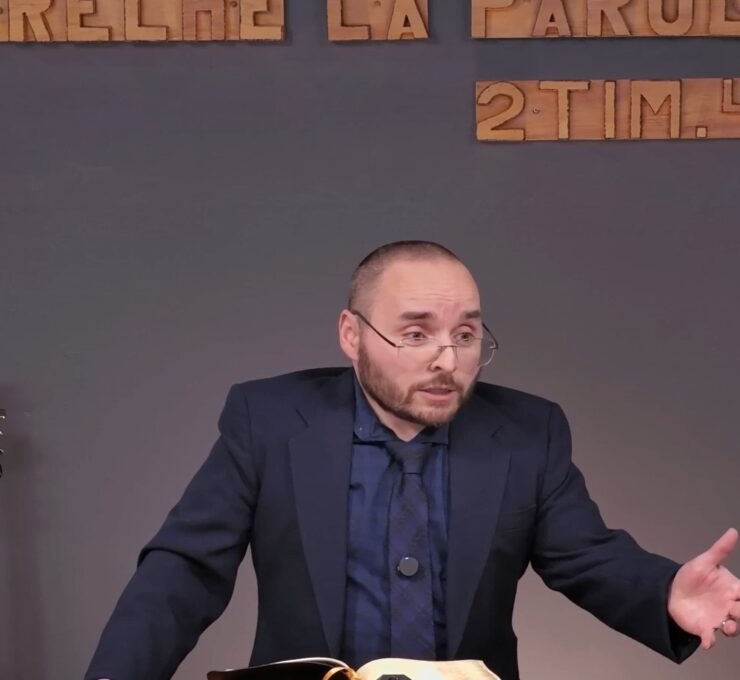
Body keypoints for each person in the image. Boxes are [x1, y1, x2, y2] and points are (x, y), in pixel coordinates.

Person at [85, 241, 739, 680]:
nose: (446, 360)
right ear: (352, 335)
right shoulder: (272, 420)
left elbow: (587, 557)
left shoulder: (526, 432)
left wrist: (665, 592)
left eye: (466, 335)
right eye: (416, 333)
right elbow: (185, 570)